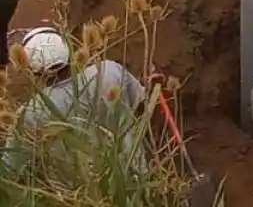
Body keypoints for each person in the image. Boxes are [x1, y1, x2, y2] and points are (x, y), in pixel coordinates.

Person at [1, 27, 149, 177]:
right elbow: (143, 106)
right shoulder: (108, 71)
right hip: (134, 180)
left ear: (31, 70)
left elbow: (11, 168)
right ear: (70, 52)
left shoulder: (30, 113)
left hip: (78, 197)